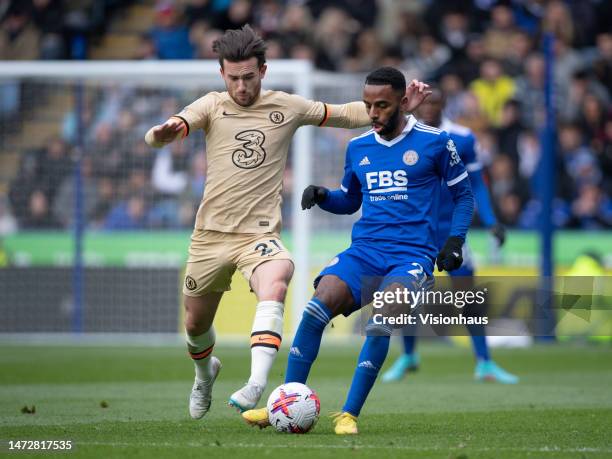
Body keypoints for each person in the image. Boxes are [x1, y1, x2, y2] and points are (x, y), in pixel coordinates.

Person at [144, 25, 430, 420]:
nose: (241, 87)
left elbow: (346, 115)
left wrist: (399, 107)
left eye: (248, 77)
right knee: (195, 324)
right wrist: (160, 135)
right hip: (210, 237)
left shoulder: (287, 106)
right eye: (233, 78)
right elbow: (175, 126)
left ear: (263, 70)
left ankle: (258, 385)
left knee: (278, 276)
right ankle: (205, 371)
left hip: (259, 234)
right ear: (221, 75)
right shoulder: (211, 105)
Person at [242, 67, 474, 434]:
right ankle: (284, 402)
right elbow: (350, 200)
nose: (373, 113)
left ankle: (349, 413)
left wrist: (455, 242)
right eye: (368, 105)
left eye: (382, 105)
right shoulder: (359, 146)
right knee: (318, 304)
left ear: (402, 102)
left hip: (411, 255)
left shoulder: (435, 141)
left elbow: (464, 196)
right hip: (365, 250)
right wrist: (323, 197)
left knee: (381, 318)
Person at [381, 86, 519, 385]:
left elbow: (476, 184)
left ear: (445, 104)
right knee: (405, 294)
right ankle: (408, 355)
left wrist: (491, 220)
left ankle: (484, 362)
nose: (429, 109)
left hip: (450, 232)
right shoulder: (402, 136)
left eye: (436, 103)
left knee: (466, 293)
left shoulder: (463, 138)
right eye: (425, 105)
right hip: (414, 232)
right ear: (416, 107)